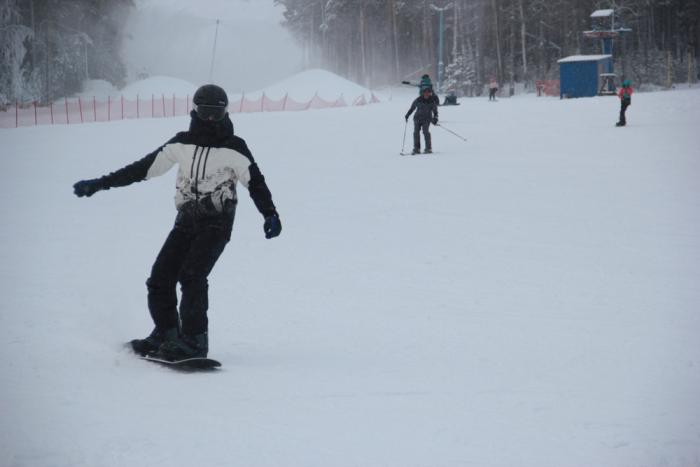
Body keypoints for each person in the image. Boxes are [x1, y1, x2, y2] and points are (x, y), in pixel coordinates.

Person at [72, 84, 282, 360]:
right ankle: (166, 332)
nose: (208, 119)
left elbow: (256, 182)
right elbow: (142, 168)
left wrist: (270, 213)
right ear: (194, 110)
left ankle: (195, 341)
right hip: (186, 221)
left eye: (215, 114)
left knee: (193, 275)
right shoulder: (181, 143)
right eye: (204, 112)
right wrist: (101, 183)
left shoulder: (234, 147)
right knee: (160, 277)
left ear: (224, 113)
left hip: (217, 222)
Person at [405, 87, 439, 155]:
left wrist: (435, 118)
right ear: (423, 93)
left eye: (428, 93)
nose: (426, 94)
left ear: (430, 94)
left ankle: (428, 148)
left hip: (427, 119)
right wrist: (407, 115)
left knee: (426, 132)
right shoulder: (418, 100)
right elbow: (412, 108)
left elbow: (435, 112)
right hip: (417, 118)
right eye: (425, 93)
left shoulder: (432, 101)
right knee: (416, 133)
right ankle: (416, 149)